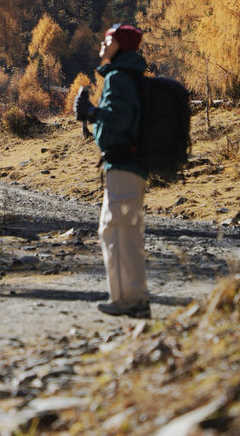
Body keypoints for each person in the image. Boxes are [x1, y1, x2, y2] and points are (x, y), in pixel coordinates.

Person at [73, 23, 151, 319]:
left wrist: (92, 113)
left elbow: (118, 121)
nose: (102, 46)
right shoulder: (124, 76)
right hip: (123, 164)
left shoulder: (118, 78)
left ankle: (131, 299)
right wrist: (95, 116)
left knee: (121, 230)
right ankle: (126, 297)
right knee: (113, 228)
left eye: (108, 40)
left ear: (121, 46)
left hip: (123, 163)